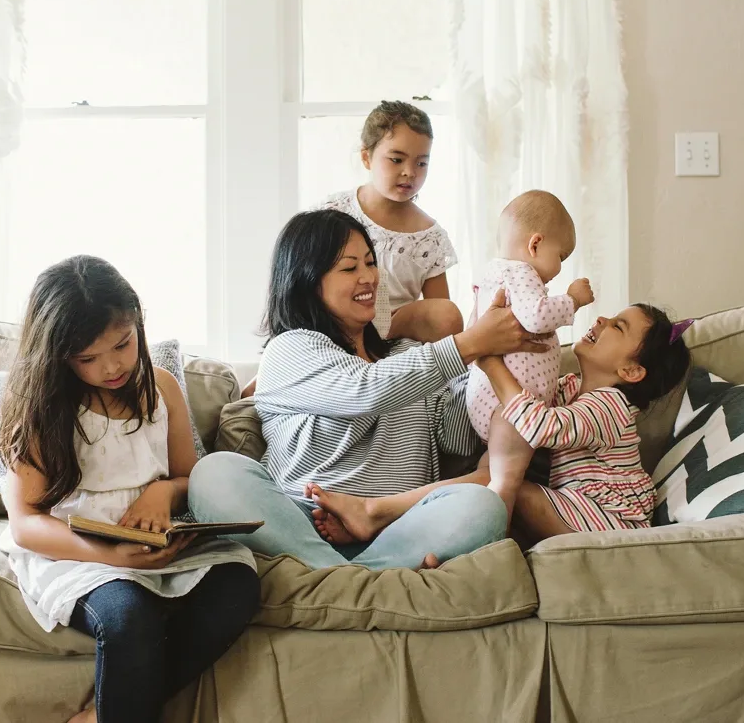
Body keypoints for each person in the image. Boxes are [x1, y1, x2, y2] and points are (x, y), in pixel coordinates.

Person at [187, 209, 548, 570]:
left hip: (396, 532)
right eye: (349, 268)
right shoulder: (290, 349)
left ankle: (338, 578)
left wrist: (491, 364)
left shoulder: (410, 354)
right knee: (214, 474)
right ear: (308, 281)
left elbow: (457, 439)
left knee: (482, 505)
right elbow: (364, 391)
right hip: (300, 525)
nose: (369, 278)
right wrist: (468, 344)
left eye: (371, 263)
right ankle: (348, 576)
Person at [0, 255, 259, 723]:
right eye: (88, 359)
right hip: (78, 550)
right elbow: (26, 524)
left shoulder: (162, 388)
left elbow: (186, 476)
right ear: (57, 356)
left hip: (155, 539)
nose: (112, 366)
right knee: (128, 618)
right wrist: (113, 557)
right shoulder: (42, 407)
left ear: (138, 322)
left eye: (123, 344)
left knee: (237, 587)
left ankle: (103, 713)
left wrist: (163, 494)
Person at [470, 306, 693, 542]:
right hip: (574, 507)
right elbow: (522, 409)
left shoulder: (612, 404)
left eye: (617, 326)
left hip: (609, 523)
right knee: (493, 469)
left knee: (503, 482)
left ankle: (433, 507)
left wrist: (491, 364)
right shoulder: (570, 387)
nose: (601, 319)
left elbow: (539, 426)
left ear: (631, 371)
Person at [466, 190, 594, 524]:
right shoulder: (520, 273)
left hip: (495, 405)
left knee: (489, 476)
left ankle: (459, 527)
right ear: (535, 244)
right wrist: (573, 300)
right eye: (561, 256)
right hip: (509, 410)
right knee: (506, 484)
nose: (559, 268)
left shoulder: (493, 274)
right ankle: (492, 541)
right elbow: (537, 317)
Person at [317, 100, 462, 343]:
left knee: (447, 314)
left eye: (421, 163)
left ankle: (377, 340)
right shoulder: (334, 212)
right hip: (336, 324)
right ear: (366, 157)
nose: (410, 172)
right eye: (396, 160)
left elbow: (440, 315)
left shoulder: (429, 236)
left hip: (395, 336)